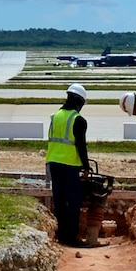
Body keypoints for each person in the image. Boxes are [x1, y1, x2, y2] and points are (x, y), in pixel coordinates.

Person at [46, 82, 91, 245]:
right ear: (79, 102)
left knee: (59, 201)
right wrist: (86, 166)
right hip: (69, 165)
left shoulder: (56, 116)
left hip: (53, 163)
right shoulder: (78, 120)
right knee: (73, 201)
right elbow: (81, 146)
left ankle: (62, 236)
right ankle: (71, 238)